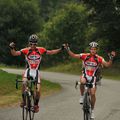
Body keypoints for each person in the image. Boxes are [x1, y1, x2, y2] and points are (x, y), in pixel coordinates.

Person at [9, 34, 64, 113]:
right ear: (29, 43)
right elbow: (14, 53)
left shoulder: (41, 50)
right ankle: (24, 101)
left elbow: (51, 52)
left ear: (36, 44)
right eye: (31, 43)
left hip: (36, 72)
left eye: (34, 44)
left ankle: (36, 105)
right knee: (24, 83)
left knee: (38, 90)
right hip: (28, 70)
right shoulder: (25, 50)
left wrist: (61, 49)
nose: (33, 45)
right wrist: (12, 48)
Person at [64, 42, 116, 119]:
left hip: (93, 77)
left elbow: (107, 65)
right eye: (91, 49)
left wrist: (111, 58)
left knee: (92, 94)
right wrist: (68, 49)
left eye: (94, 49)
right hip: (85, 75)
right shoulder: (85, 56)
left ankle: (92, 110)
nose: (93, 51)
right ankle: (82, 96)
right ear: (90, 49)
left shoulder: (99, 58)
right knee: (82, 82)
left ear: (96, 50)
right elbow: (73, 55)